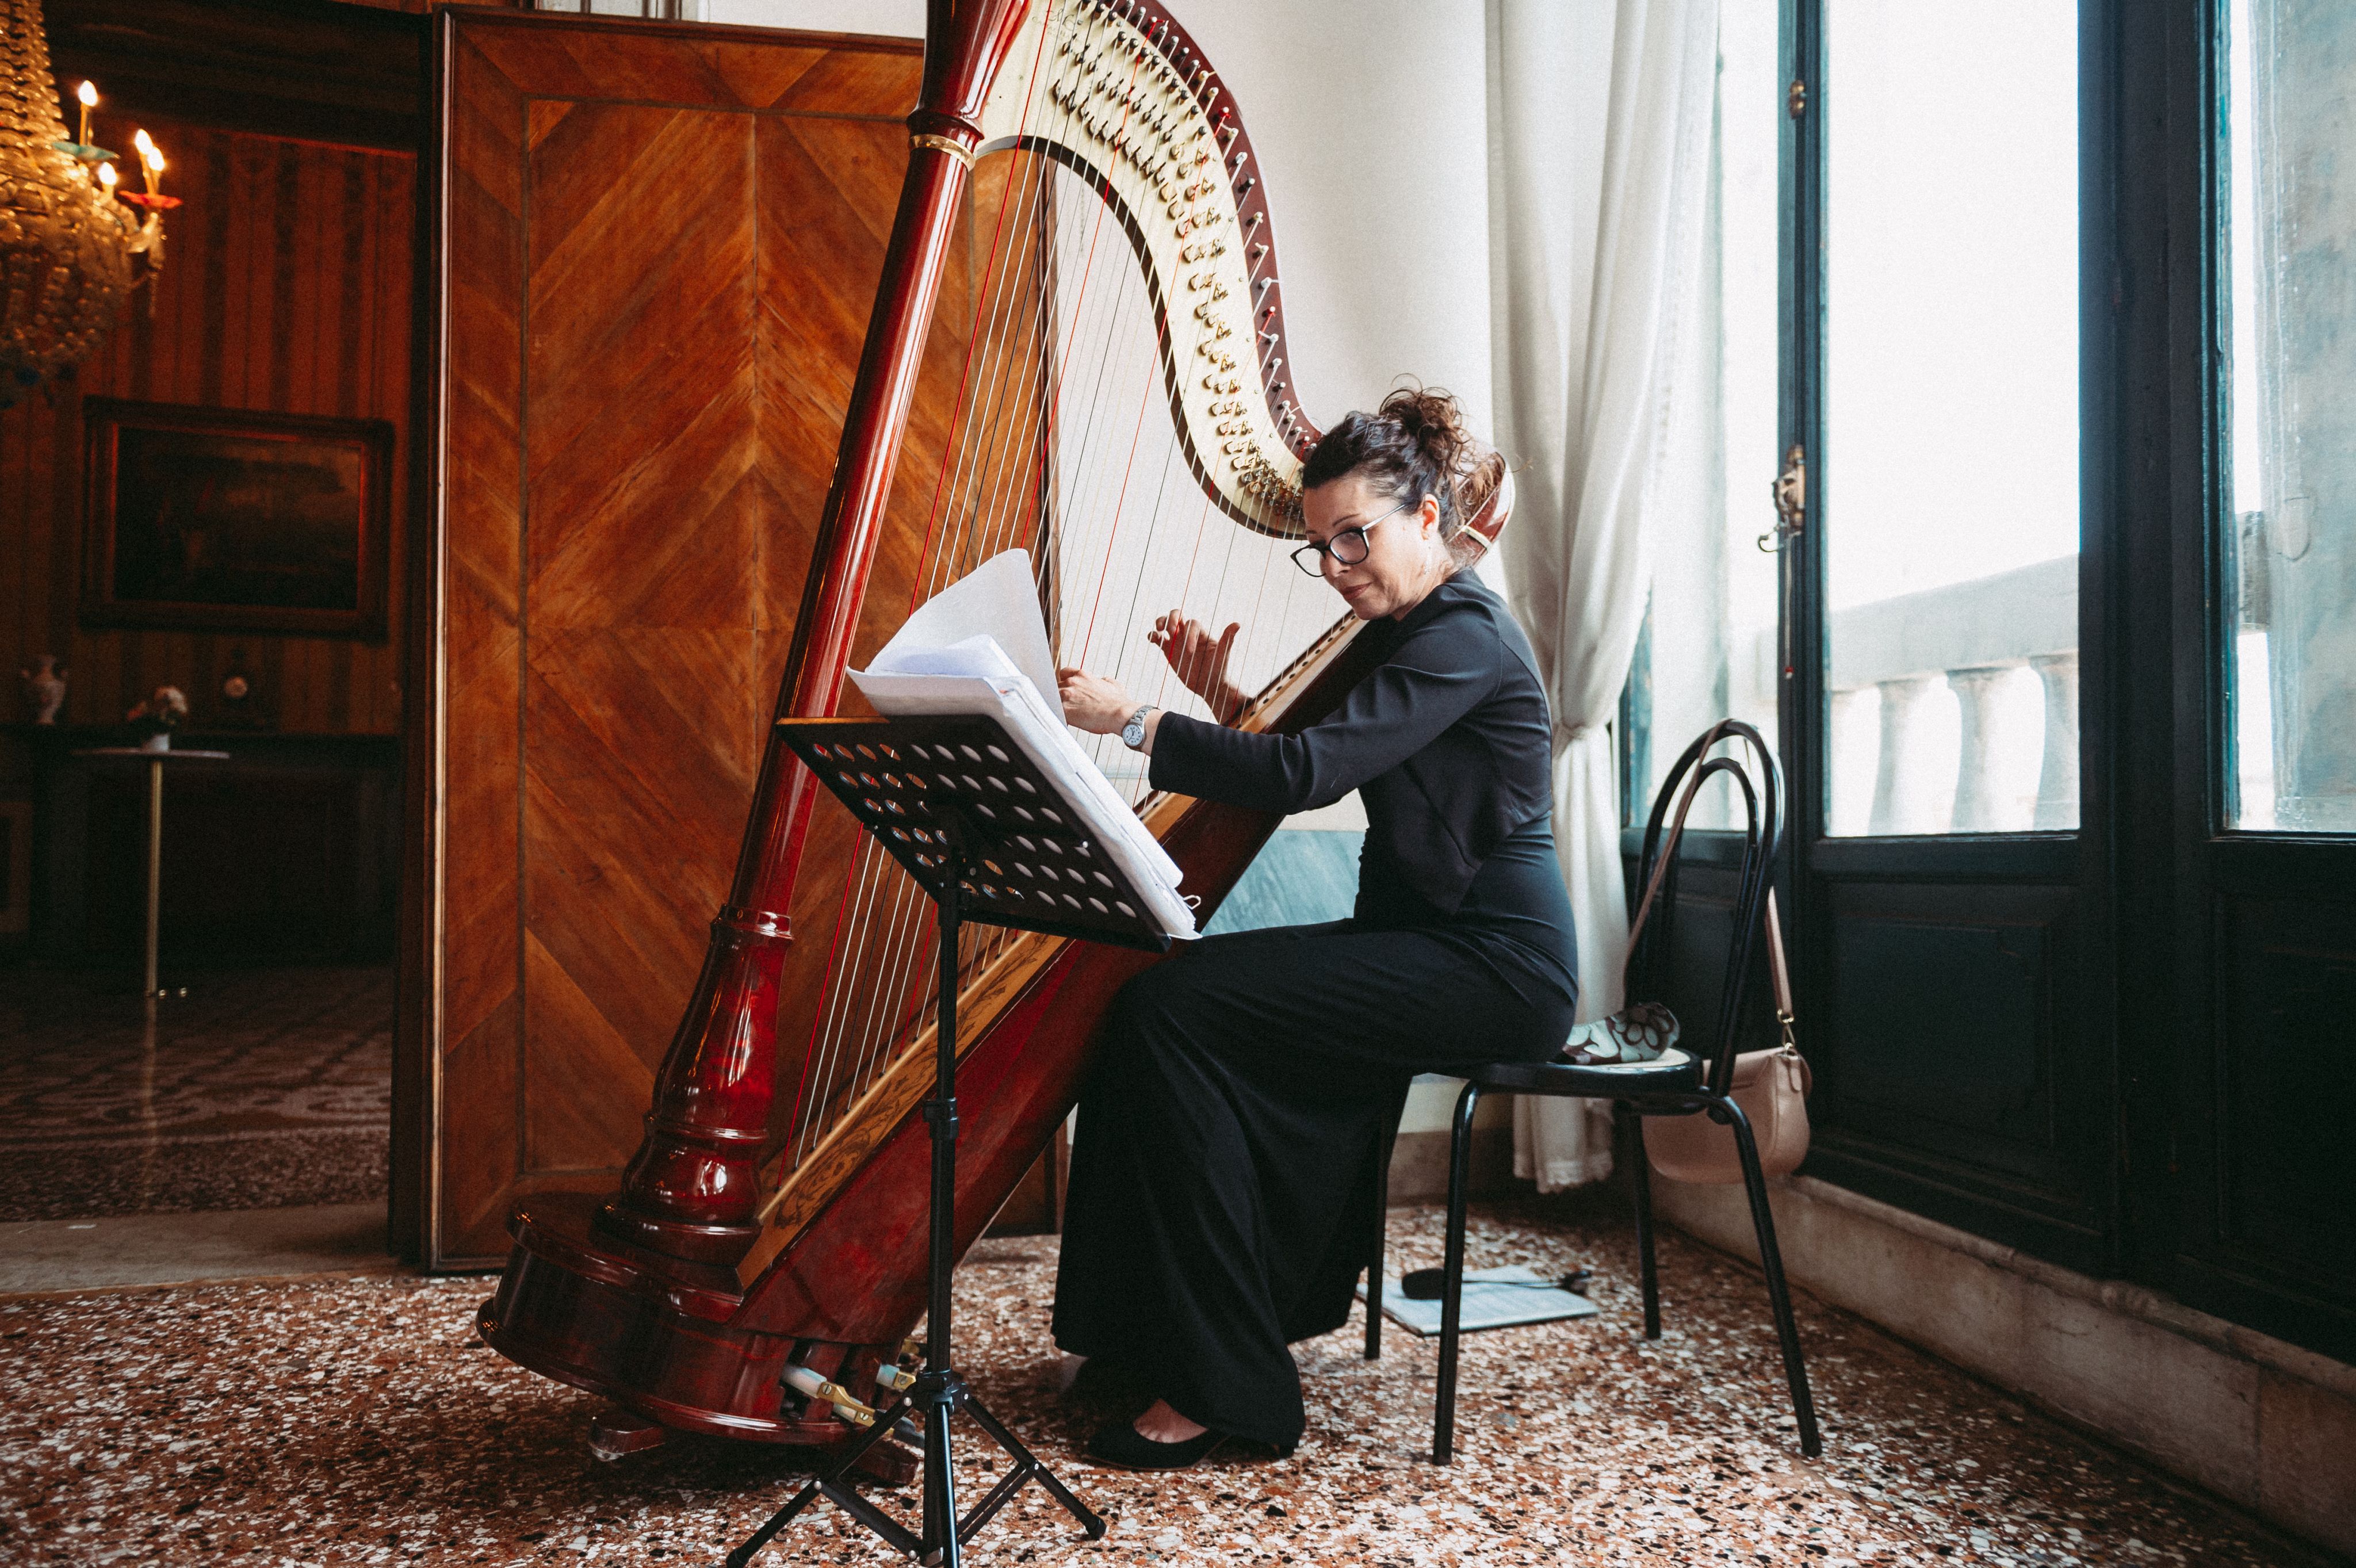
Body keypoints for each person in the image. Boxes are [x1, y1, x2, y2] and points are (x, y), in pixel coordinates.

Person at [1051, 386, 1581, 1469]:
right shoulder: (1407, 630)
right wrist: (1227, 693)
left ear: (1428, 518)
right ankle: (1144, 1334)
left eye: (1357, 537)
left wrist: (1141, 719)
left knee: (1172, 1012)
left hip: (1494, 964)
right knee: (1148, 992)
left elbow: (1307, 773)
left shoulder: (1464, 633)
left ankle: (1231, 1390)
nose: (1338, 565)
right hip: (1416, 939)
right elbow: (1337, 750)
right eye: (1322, 547)